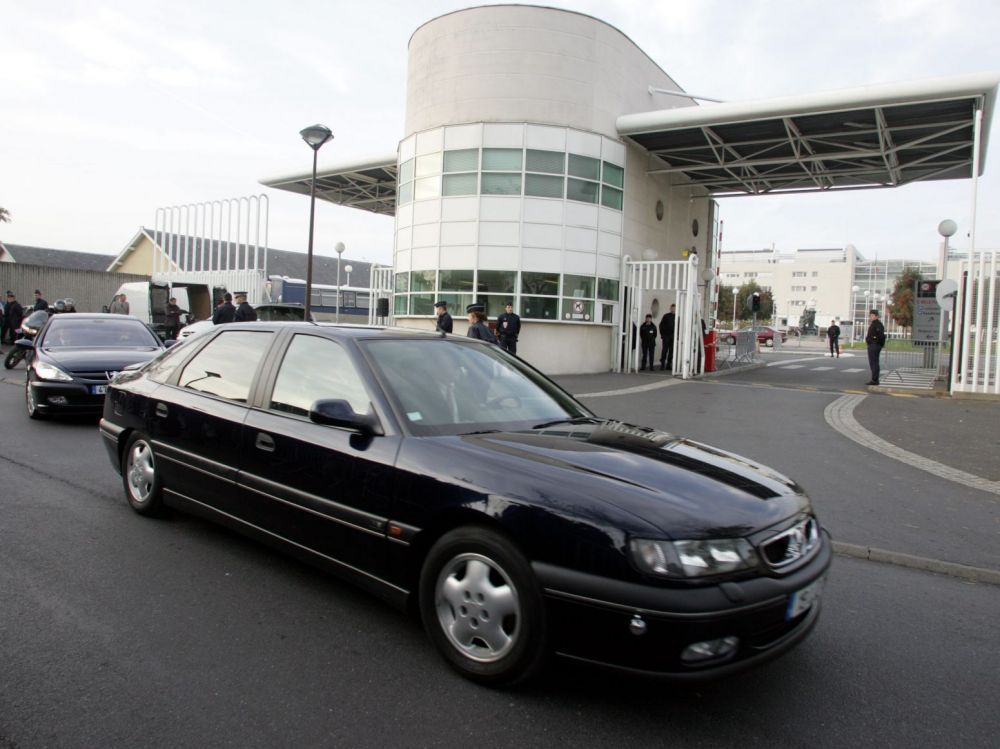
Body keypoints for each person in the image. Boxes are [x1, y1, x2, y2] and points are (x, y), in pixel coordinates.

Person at [864, 308, 886, 386]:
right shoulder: (874, 324)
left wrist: (873, 341)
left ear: (876, 316)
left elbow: (880, 336)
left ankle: (875, 379)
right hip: (873, 345)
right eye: (870, 315)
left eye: (872, 315)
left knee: (874, 363)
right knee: (873, 363)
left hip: (874, 345)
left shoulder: (878, 324)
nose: (871, 317)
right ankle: (874, 379)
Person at [658, 304, 676, 371]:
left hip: (673, 337)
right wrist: (662, 335)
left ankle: (669, 364)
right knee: (665, 350)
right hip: (666, 337)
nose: (673, 309)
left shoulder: (677, 317)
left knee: (671, 351)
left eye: (674, 308)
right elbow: (661, 325)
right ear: (670, 308)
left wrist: (677, 337)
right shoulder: (666, 316)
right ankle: (662, 364)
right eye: (672, 308)